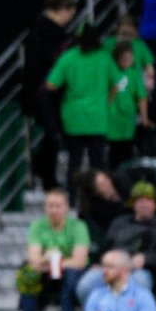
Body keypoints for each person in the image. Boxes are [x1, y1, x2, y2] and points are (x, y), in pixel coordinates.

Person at [46, 21, 125, 201]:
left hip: (73, 118)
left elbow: (51, 85)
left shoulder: (68, 57)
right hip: (98, 118)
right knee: (97, 162)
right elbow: (118, 83)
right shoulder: (104, 58)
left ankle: (74, 199)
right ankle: (99, 198)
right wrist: (108, 100)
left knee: (74, 161)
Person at [76, 181, 156, 304]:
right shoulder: (120, 222)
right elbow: (106, 246)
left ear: (155, 204)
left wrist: (146, 258)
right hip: (111, 266)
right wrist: (99, 262)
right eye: (139, 200)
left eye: (148, 200)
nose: (144, 204)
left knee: (139, 284)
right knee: (85, 286)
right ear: (133, 204)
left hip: (141, 270)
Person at [16, 189, 90, 311]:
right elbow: (33, 257)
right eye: (50, 206)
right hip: (46, 271)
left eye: (58, 206)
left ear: (66, 207)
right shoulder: (37, 226)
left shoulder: (79, 226)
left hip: (71, 272)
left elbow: (79, 260)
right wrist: (46, 262)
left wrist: (56, 262)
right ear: (45, 208)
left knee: (70, 273)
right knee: (27, 273)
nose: (54, 210)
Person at [21, 0, 77, 190]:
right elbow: (48, 63)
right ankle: (45, 174)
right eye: (70, 15)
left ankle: (44, 171)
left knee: (53, 134)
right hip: (45, 92)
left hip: (42, 91)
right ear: (63, 10)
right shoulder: (48, 32)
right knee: (53, 134)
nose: (70, 19)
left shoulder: (40, 29)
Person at [108, 42, 152, 169]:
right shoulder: (110, 72)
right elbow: (105, 98)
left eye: (130, 58)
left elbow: (141, 97)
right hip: (113, 118)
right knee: (114, 151)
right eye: (124, 58)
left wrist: (144, 117)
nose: (127, 61)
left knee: (127, 149)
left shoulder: (134, 73)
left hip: (128, 118)